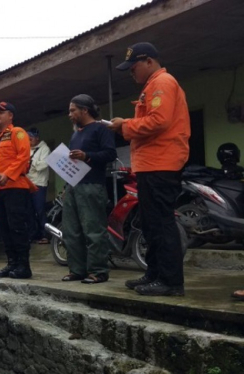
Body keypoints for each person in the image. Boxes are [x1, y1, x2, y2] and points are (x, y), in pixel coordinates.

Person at [110, 42, 190, 296]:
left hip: (161, 164)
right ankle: (155, 274)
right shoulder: (152, 86)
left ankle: (170, 281)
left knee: (161, 222)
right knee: (150, 223)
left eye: (133, 67)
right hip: (151, 164)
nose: (131, 72)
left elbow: (158, 121)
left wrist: (125, 125)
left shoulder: (162, 83)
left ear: (148, 62)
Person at [61, 94, 117, 284]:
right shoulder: (76, 132)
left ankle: (98, 271)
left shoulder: (101, 129)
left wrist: (87, 156)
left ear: (85, 110)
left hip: (92, 185)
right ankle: (77, 269)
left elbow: (110, 153)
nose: (70, 114)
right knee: (71, 230)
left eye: (73, 110)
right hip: (73, 185)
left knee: (93, 230)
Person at [0, 101, 34, 279]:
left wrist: (8, 174)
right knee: (3, 227)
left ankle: (24, 266)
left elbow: (23, 156)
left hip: (16, 188)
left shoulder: (17, 133)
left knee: (17, 226)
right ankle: (12, 264)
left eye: (1, 112)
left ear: (10, 115)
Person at [27, 127, 51, 244]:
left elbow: (43, 165)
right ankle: (33, 235)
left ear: (37, 138)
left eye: (31, 138)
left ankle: (45, 235)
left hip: (39, 184)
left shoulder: (44, 149)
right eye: (28, 138)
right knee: (29, 211)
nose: (29, 140)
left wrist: (31, 162)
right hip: (27, 184)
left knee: (40, 210)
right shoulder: (26, 149)